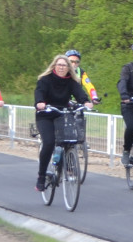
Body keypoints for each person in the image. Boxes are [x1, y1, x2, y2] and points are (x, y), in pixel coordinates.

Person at [33, 55, 93, 191]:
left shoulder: (71, 82)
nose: (61, 67)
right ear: (54, 66)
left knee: (68, 140)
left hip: (62, 114)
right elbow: (39, 92)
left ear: (69, 68)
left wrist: (85, 102)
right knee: (49, 142)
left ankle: (63, 165)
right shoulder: (45, 80)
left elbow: (79, 93)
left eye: (64, 65)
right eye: (59, 65)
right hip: (46, 114)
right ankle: (41, 176)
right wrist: (40, 102)